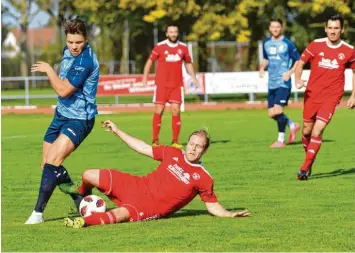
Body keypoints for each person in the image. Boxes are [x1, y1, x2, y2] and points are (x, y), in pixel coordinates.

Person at [60, 120, 250, 228]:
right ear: (187, 143)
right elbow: (143, 147)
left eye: (198, 146)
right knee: (88, 174)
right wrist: (118, 131)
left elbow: (212, 206)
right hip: (137, 185)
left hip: (149, 206)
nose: (193, 149)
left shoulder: (203, 177)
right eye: (191, 144)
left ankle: (82, 221)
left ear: (204, 150)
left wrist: (229, 214)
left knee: (120, 215)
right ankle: (80, 199)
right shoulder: (172, 153)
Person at [25, 18, 100, 224]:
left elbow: (63, 90)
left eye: (79, 42)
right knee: (47, 166)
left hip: (80, 119)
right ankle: (79, 200)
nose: (74, 47)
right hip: (61, 115)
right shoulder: (68, 52)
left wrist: (49, 70)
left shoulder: (85, 61)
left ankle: (37, 214)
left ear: (86, 39)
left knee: (53, 162)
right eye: (70, 42)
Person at [294, 14, 355, 180]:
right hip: (312, 95)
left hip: (332, 97)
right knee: (306, 131)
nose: (333, 31)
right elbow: (300, 63)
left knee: (318, 129)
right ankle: (310, 159)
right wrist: (298, 79)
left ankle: (305, 168)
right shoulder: (315, 45)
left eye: (337, 28)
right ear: (326, 29)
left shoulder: (349, 50)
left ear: (342, 29)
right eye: (330, 28)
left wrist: (353, 95)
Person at [142, 24, 199, 149]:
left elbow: (188, 63)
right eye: (171, 32)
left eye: (175, 32)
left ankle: (175, 141)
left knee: (176, 110)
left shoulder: (183, 48)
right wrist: (145, 77)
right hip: (161, 85)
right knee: (159, 111)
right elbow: (150, 61)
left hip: (176, 85)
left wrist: (194, 78)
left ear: (177, 33)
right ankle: (155, 140)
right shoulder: (160, 47)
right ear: (167, 34)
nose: (173, 34)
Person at [259, 18, 301, 148]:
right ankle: (292, 124)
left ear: (281, 28)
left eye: (277, 27)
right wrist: (261, 68)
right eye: (273, 27)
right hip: (271, 83)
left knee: (277, 110)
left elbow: (298, 60)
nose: (275, 29)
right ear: (269, 28)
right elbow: (266, 59)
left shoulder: (287, 43)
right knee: (271, 113)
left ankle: (280, 140)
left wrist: (290, 72)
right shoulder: (266, 43)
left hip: (283, 82)